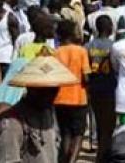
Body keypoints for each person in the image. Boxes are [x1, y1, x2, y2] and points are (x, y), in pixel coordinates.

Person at [0, 56, 78, 163]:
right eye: (44, 90)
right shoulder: (12, 124)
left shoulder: (50, 113)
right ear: (30, 88)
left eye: (54, 90)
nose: (50, 95)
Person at [53, 19, 90, 163]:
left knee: (65, 134)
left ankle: (64, 159)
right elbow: (86, 76)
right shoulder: (81, 51)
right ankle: (73, 160)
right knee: (78, 134)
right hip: (78, 98)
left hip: (59, 98)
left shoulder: (55, 52)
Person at [86, 14, 117, 163]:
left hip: (93, 88)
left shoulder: (88, 46)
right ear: (109, 27)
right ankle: (103, 155)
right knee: (109, 125)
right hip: (109, 88)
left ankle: (102, 152)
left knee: (99, 123)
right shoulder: (114, 46)